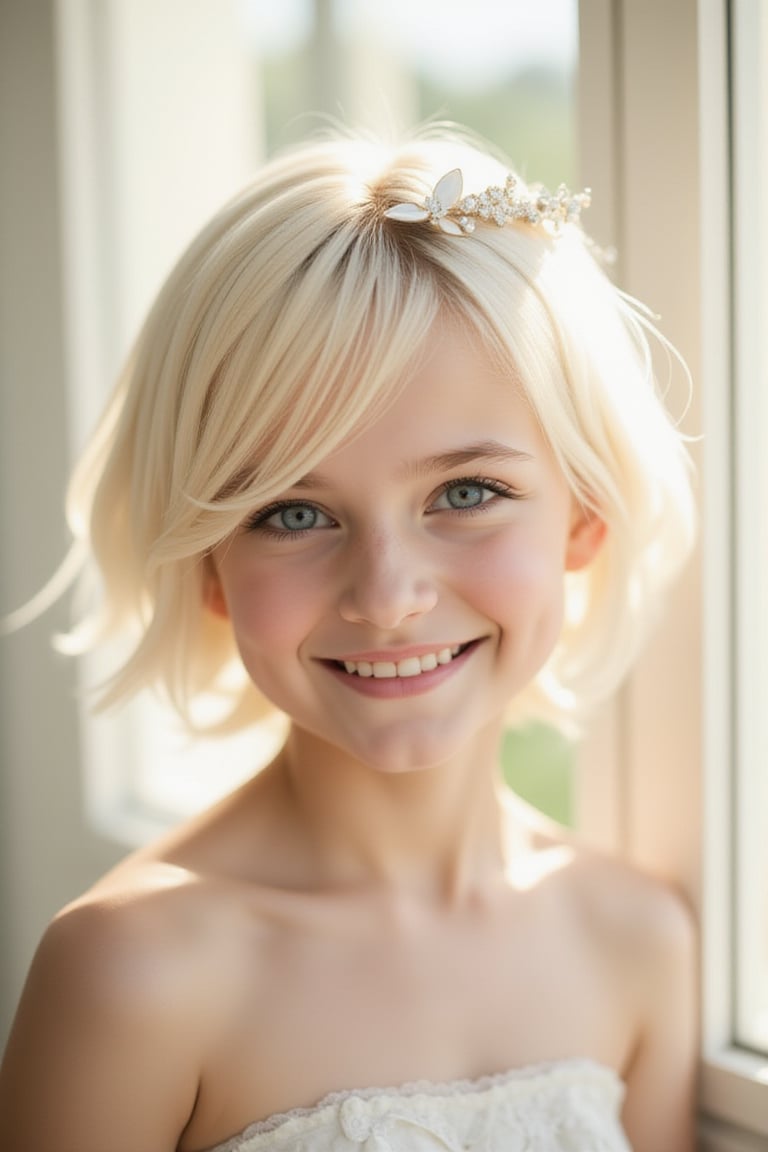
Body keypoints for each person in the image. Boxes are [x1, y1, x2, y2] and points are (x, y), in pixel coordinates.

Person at [0, 128, 698, 1152]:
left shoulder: (634, 937)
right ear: (208, 566)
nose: (386, 596)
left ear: (583, 518)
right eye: (291, 511)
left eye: (466, 493)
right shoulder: (132, 973)